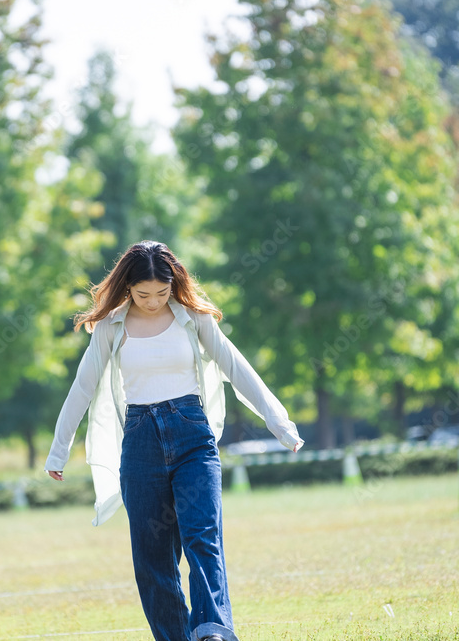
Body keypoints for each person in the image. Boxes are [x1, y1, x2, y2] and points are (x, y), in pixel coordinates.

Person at [44, 240, 305, 641]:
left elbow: (236, 367)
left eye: (162, 292)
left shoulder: (193, 318)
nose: (153, 302)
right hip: (140, 443)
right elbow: (82, 388)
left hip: (192, 438)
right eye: (143, 294)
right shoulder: (111, 327)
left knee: (203, 537)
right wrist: (58, 451)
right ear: (127, 287)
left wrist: (280, 423)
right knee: (153, 557)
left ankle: (212, 631)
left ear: (174, 284)